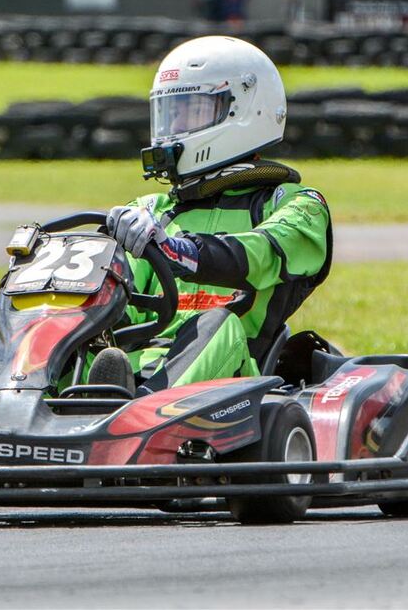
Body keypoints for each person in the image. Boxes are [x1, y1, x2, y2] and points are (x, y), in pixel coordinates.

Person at [96, 36, 332, 395]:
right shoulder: (150, 211)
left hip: (229, 384)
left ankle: (141, 414)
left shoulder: (295, 205)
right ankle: (17, 399)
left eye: (190, 111)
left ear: (244, 111)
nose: (173, 126)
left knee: (219, 323)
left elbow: (258, 254)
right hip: (132, 364)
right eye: (169, 113)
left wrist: (180, 251)